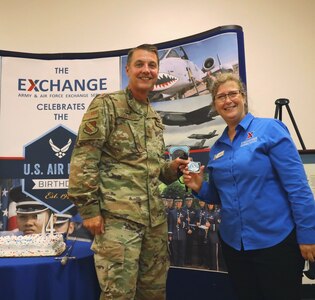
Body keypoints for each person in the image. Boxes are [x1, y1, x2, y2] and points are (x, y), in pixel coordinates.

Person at [68, 44, 189, 300]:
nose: (146, 70)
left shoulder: (154, 117)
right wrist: (89, 210)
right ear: (128, 70)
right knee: (118, 296)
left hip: (154, 224)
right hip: (117, 223)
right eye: (140, 64)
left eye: (152, 65)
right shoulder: (107, 105)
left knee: (154, 294)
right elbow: (84, 158)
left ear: (157, 71)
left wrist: (172, 169)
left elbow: (154, 171)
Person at [182, 73, 315, 300]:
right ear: (215, 105)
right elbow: (219, 196)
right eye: (221, 97)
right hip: (235, 246)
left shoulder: (270, 129)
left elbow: (298, 188)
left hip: (276, 242)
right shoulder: (217, 148)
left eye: (232, 93)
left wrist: (308, 234)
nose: (228, 100)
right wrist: (199, 186)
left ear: (243, 96)